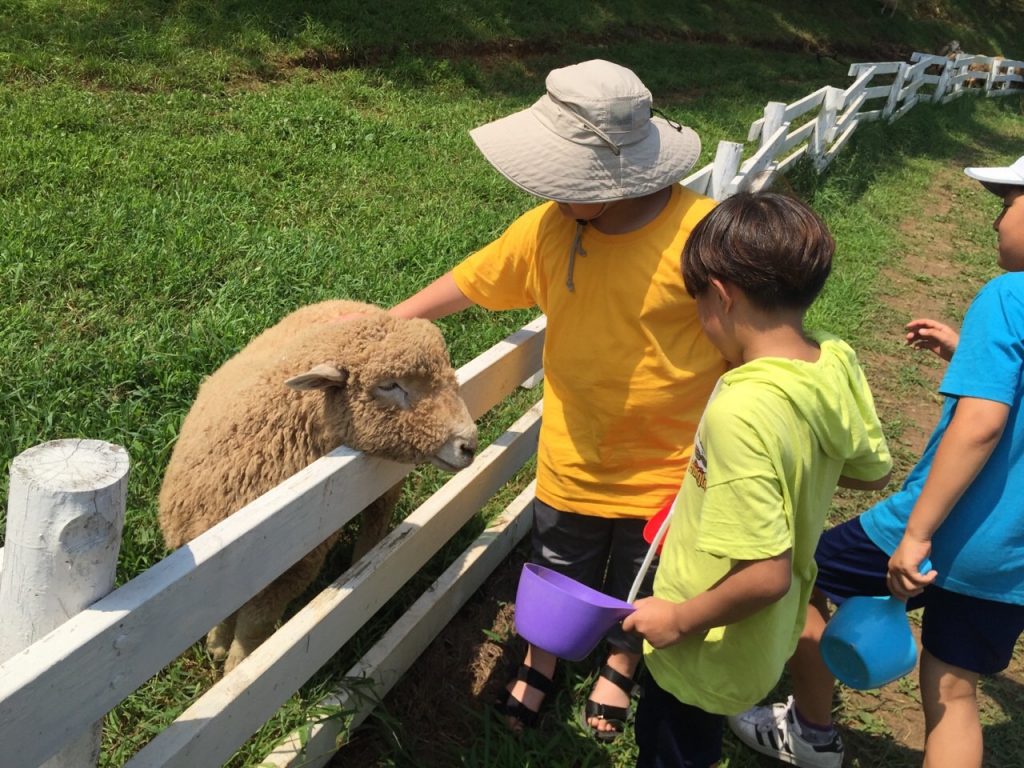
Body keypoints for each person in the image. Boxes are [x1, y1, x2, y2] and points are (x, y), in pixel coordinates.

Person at [379, 59, 725, 738]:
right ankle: (541, 660)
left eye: (567, 178)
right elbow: (475, 280)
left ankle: (619, 666)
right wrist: (389, 321)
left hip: (670, 468)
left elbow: (749, 340)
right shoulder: (550, 226)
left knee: (641, 579)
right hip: (573, 454)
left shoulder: (704, 238)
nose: (553, 190)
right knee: (555, 567)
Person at [728, 154, 1024, 768]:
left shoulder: (1009, 297)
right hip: (1014, 559)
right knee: (952, 689)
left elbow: (984, 422)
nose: (997, 220)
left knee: (799, 576)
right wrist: (966, 354)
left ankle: (811, 731)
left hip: (945, 528)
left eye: (1009, 203)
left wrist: (916, 535)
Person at [622, 191, 893, 768]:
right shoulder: (832, 361)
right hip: (762, 634)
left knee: (673, 749)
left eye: (698, 302)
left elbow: (765, 575)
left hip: (707, 638)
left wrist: (676, 619)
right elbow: (872, 472)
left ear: (720, 295)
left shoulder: (742, 410)